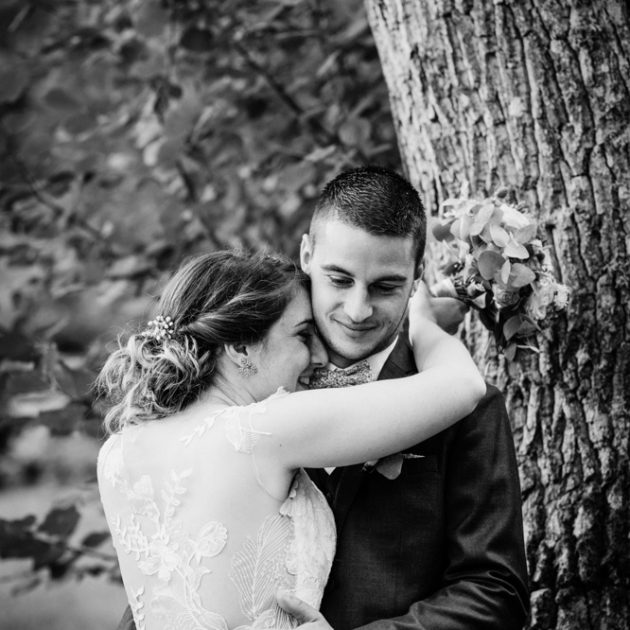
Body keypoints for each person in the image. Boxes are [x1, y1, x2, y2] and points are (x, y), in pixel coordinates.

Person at [100, 248, 486, 630]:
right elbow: (463, 386)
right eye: (303, 335)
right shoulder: (261, 431)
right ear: (239, 348)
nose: (318, 356)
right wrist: (423, 322)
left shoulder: (116, 453)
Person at [274, 166, 530, 630]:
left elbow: (496, 592)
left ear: (416, 280)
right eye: (339, 279)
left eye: (385, 286)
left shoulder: (470, 410)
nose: (358, 310)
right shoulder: (248, 377)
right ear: (307, 254)